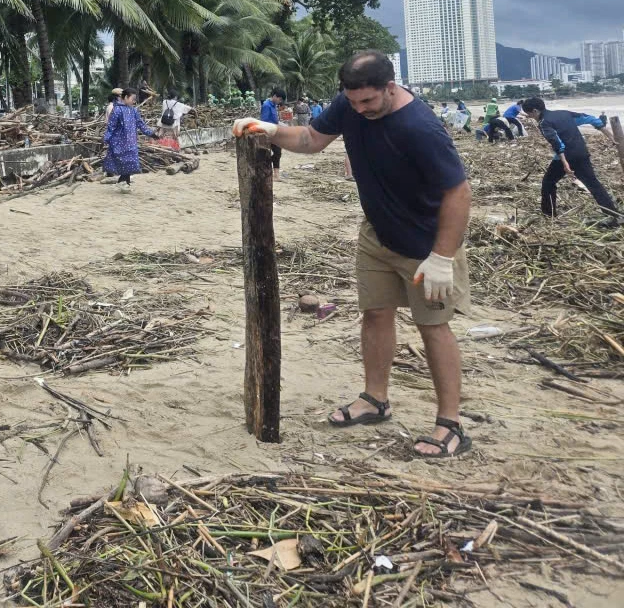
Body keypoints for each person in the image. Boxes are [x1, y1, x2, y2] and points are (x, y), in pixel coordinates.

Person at [234, 51, 474, 458]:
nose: (360, 110)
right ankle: (375, 399)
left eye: (368, 102)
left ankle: (450, 424)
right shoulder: (350, 105)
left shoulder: (420, 128)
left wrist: (442, 258)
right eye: (353, 101)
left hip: (426, 243)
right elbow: (311, 140)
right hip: (377, 234)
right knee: (376, 314)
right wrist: (271, 129)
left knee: (433, 327)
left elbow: (459, 192)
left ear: (390, 88)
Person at [521, 97, 619, 227]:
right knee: (593, 184)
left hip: (566, 157)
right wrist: (611, 137)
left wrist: (565, 164)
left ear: (535, 111)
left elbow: (556, 142)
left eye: (530, 114)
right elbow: (592, 119)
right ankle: (613, 215)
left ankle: (548, 214)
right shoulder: (564, 113)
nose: (530, 117)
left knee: (548, 182)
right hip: (581, 153)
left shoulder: (544, 122)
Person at [103, 88, 156, 189]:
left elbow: (141, 124)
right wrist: (106, 139)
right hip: (119, 142)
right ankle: (124, 184)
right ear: (126, 97)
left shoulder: (134, 110)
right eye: (133, 98)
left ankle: (123, 184)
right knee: (123, 164)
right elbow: (111, 127)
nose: (134, 101)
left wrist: (151, 134)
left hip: (131, 143)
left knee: (130, 164)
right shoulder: (116, 110)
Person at [261, 88, 287, 181]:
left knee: (277, 153)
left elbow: (274, 119)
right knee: (274, 153)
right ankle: (270, 172)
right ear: (275, 96)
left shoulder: (274, 105)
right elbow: (264, 121)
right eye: (279, 99)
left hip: (275, 131)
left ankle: (276, 174)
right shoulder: (266, 105)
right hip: (269, 132)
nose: (280, 101)